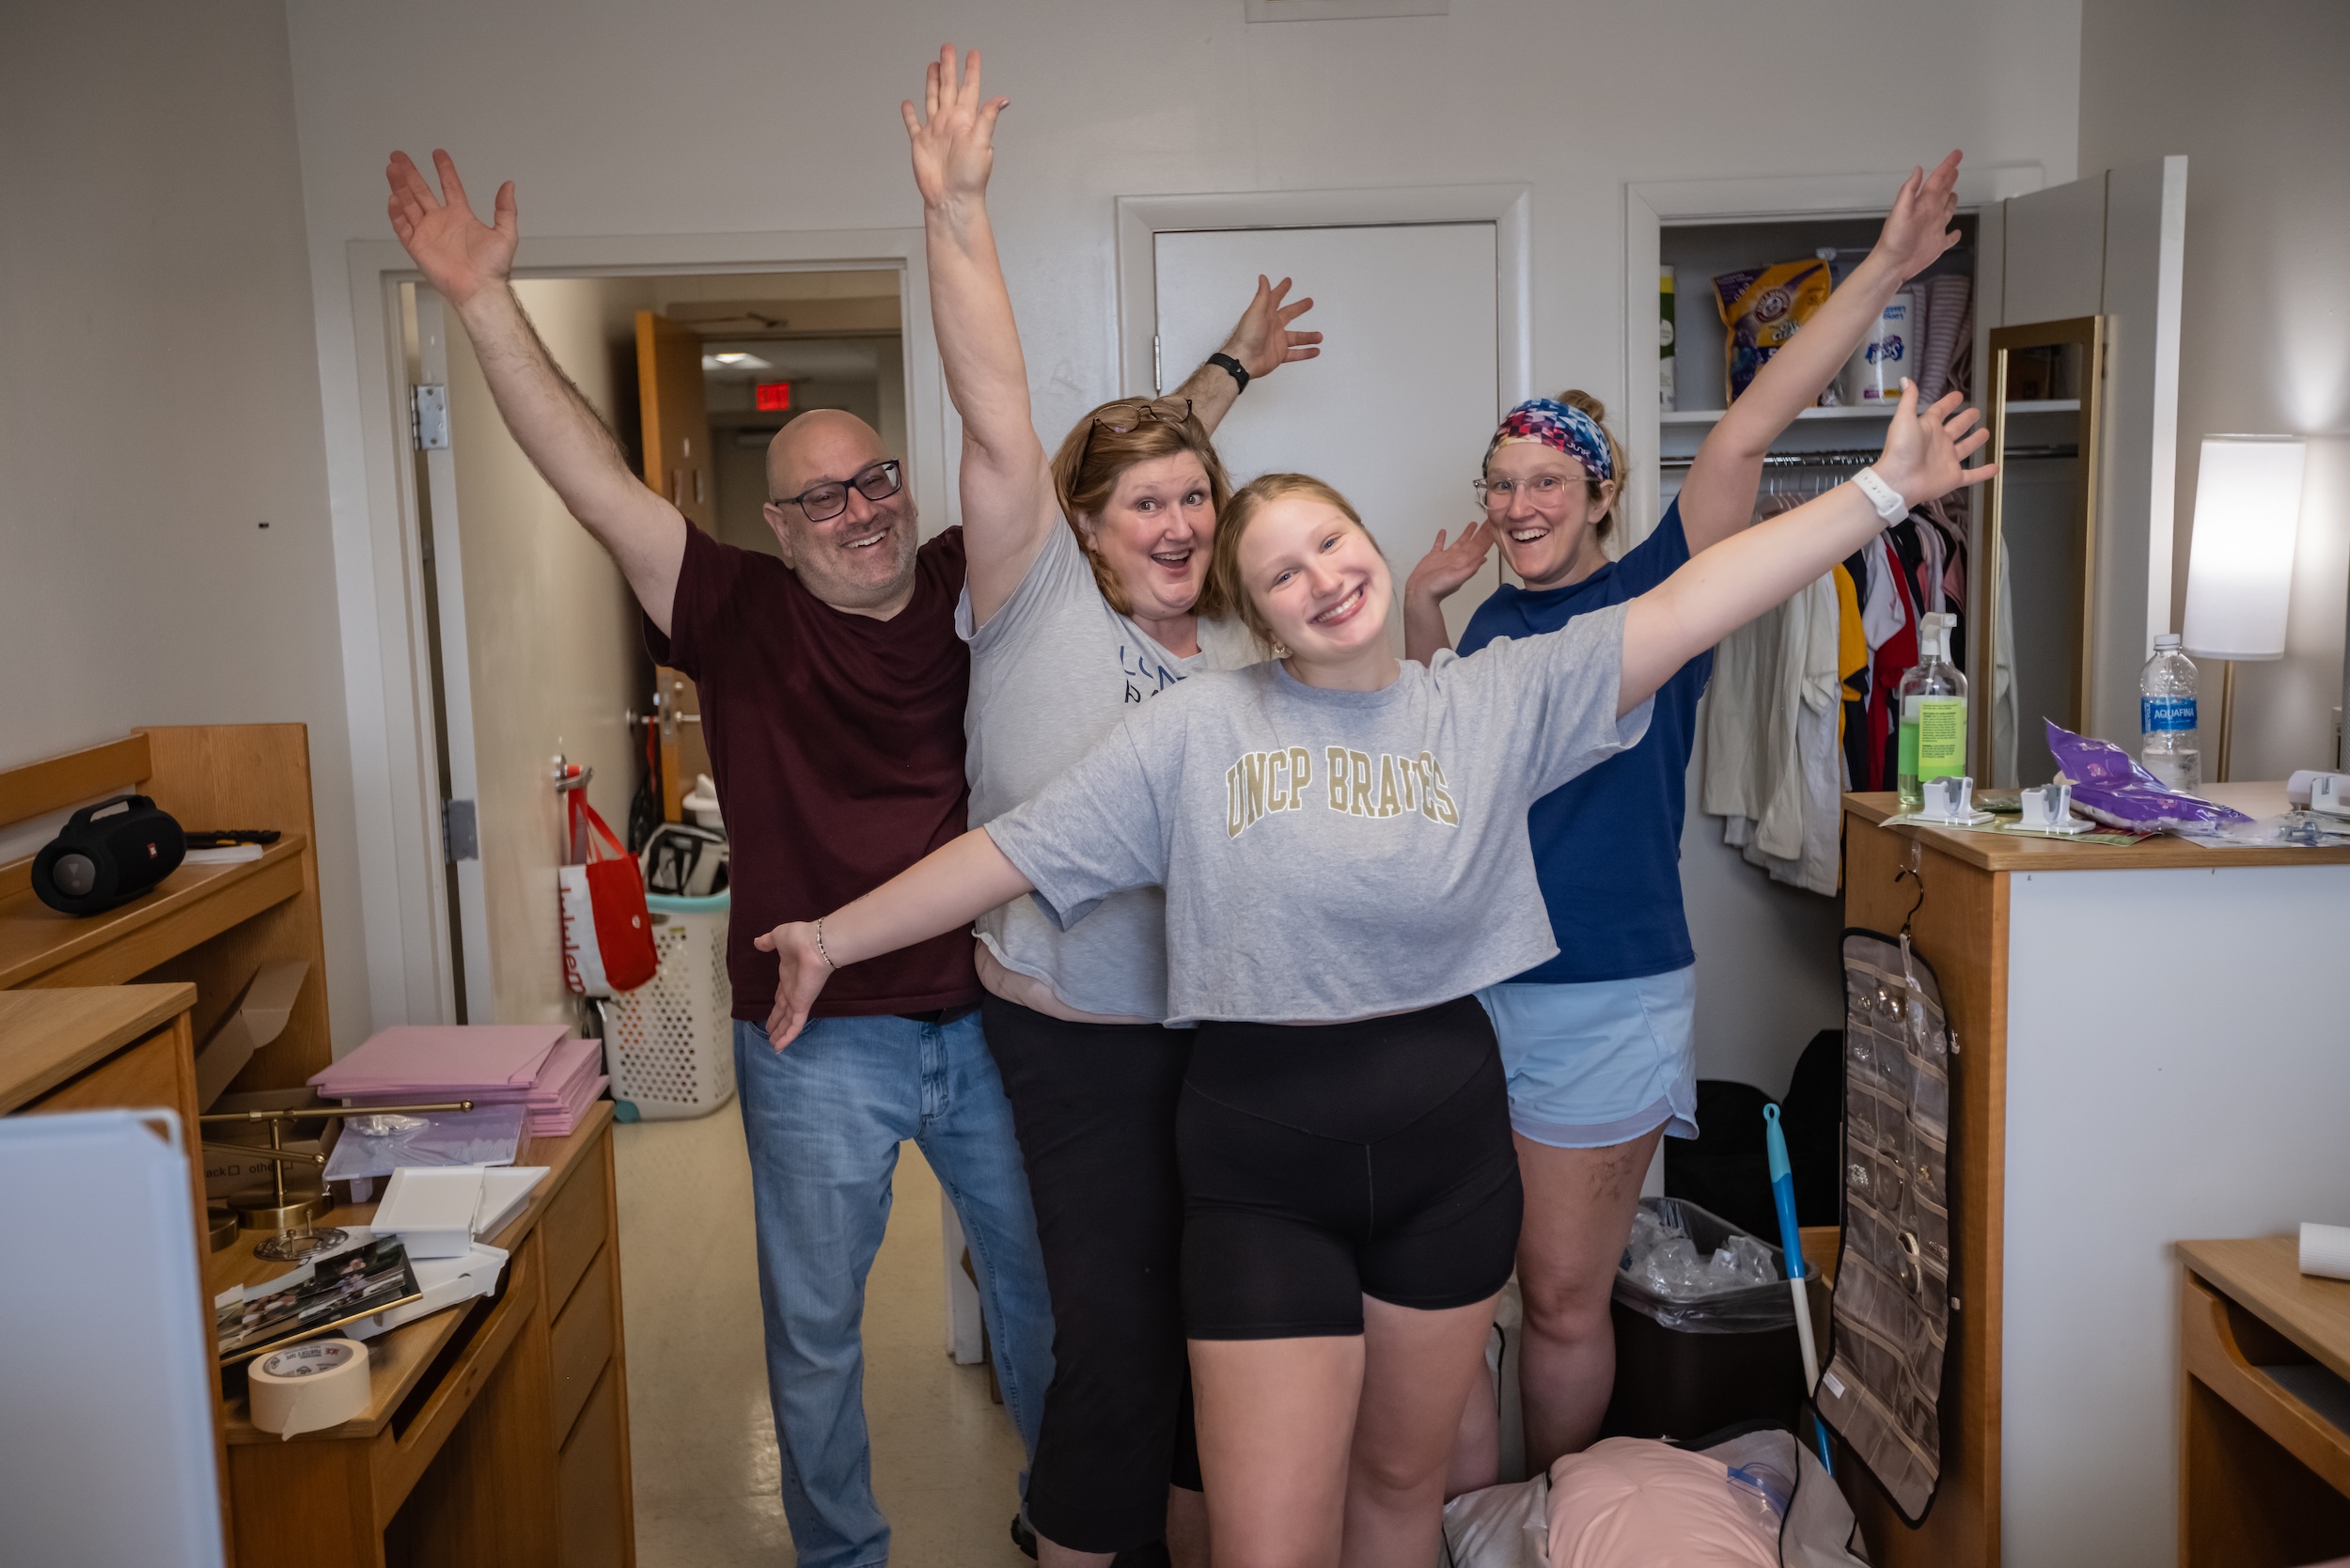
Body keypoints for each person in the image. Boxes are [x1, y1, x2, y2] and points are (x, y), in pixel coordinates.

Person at [753, 384, 1993, 1568]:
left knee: (1401, 1492)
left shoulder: (1491, 703)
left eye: (1334, 542)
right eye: (1281, 572)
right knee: (1271, 1541)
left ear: (1372, 543)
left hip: (1443, 1155)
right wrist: (833, 936)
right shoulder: (1194, 730)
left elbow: (1695, 599)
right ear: (1253, 613)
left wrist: (1880, 493)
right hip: (1255, 1170)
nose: (1323, 578)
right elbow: (1001, 853)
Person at [384, 148, 1055, 1568]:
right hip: (814, 1041)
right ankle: (841, 1557)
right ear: (776, 523)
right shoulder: (731, 609)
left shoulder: (962, 581)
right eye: (822, 498)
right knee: (812, 1338)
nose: (860, 511)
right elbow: (591, 477)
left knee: (1051, 1302)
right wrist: (485, 303)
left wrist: (1225, 364)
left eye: (874, 479)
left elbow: (1054, 452)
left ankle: (1070, 1530)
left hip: (990, 1013)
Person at [1402, 152, 1969, 1479]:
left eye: (1550, 481)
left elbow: (1742, 436)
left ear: (1603, 494)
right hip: (1465, 988)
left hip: (1599, 994)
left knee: (1556, 1299)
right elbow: (1451, 773)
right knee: (1456, 1300)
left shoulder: (1664, 589)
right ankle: (1474, 1527)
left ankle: (1559, 1517)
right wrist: (1430, 611)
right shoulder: (1492, 620)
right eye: (1502, 482)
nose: (1519, 504)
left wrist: (1885, 268)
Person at [903, 45, 1321, 1568]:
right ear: (1081, 528)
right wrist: (957, 212)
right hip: (1073, 1037)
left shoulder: (1235, 639)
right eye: (1141, 502)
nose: (1178, 519)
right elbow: (1004, 412)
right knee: (1118, 1336)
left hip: (1217, 1031)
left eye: (1196, 497)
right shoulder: (1033, 609)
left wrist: (1231, 371)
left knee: (1223, 1326)